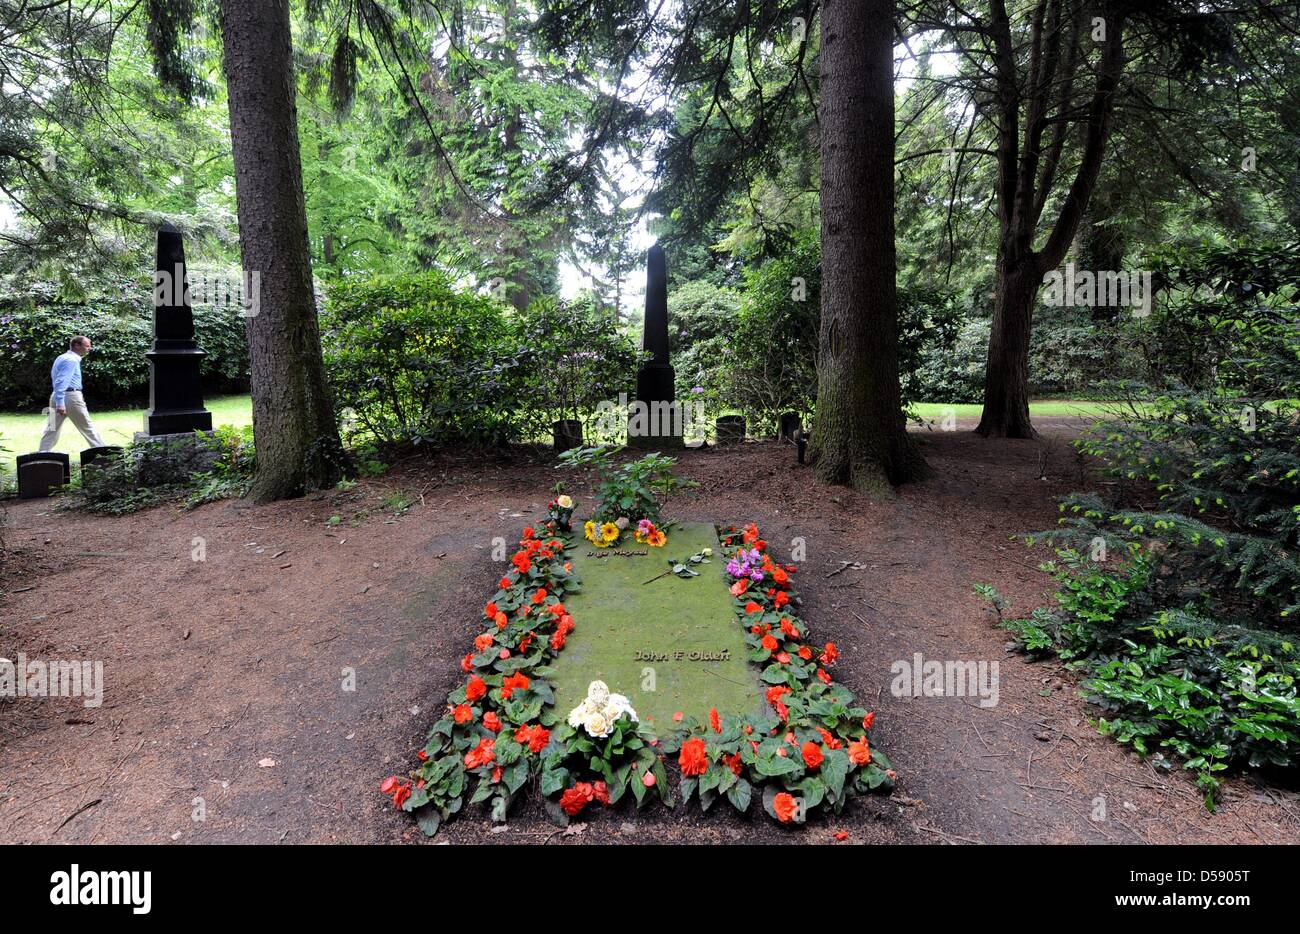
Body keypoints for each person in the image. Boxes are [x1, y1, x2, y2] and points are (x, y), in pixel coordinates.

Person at [38, 335, 106, 452]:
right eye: (87, 346)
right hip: (69, 397)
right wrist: (60, 403)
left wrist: (58, 400)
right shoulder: (71, 360)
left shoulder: (62, 357)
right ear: (76, 345)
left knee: (51, 428)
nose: (89, 348)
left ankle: (42, 455)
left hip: (57, 396)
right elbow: (61, 381)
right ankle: (104, 454)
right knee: (88, 428)